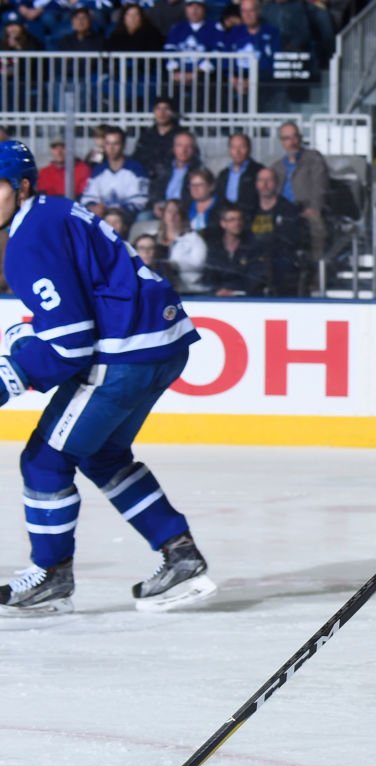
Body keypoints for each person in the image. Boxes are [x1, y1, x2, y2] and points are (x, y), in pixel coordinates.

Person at [0, 140, 216, 614]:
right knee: (101, 455)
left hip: (125, 354)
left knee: (44, 460)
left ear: (22, 187)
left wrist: (9, 376)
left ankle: (51, 575)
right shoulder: (55, 212)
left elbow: (72, 344)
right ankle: (177, 552)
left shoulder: (27, 238)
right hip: (160, 342)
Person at [271, 120, 329, 262]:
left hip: (305, 209)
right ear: (281, 142)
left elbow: (320, 186)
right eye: (287, 138)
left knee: (315, 226)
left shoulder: (313, 159)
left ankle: (315, 272)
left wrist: (314, 207)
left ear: (300, 138)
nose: (292, 142)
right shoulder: (276, 167)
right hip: (282, 212)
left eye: (295, 136)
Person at [248, 166, 305, 295]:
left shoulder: (288, 210)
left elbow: (290, 240)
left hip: (279, 265)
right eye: (261, 180)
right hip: (252, 262)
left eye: (269, 180)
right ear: (256, 184)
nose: (265, 185)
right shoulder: (249, 209)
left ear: (277, 184)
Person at [80, 126, 149, 220]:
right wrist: (93, 207)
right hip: (102, 217)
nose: (111, 148)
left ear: (123, 145)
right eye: (108, 144)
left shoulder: (136, 169)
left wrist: (115, 210)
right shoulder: (98, 170)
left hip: (127, 217)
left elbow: (140, 201)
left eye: (116, 144)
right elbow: (88, 198)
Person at [204, 205, 266, 296]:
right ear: (223, 223)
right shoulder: (215, 249)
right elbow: (209, 278)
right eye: (232, 220)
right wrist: (217, 291)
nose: (237, 223)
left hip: (246, 298)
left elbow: (255, 279)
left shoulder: (253, 248)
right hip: (217, 298)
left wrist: (233, 292)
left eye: (239, 219)